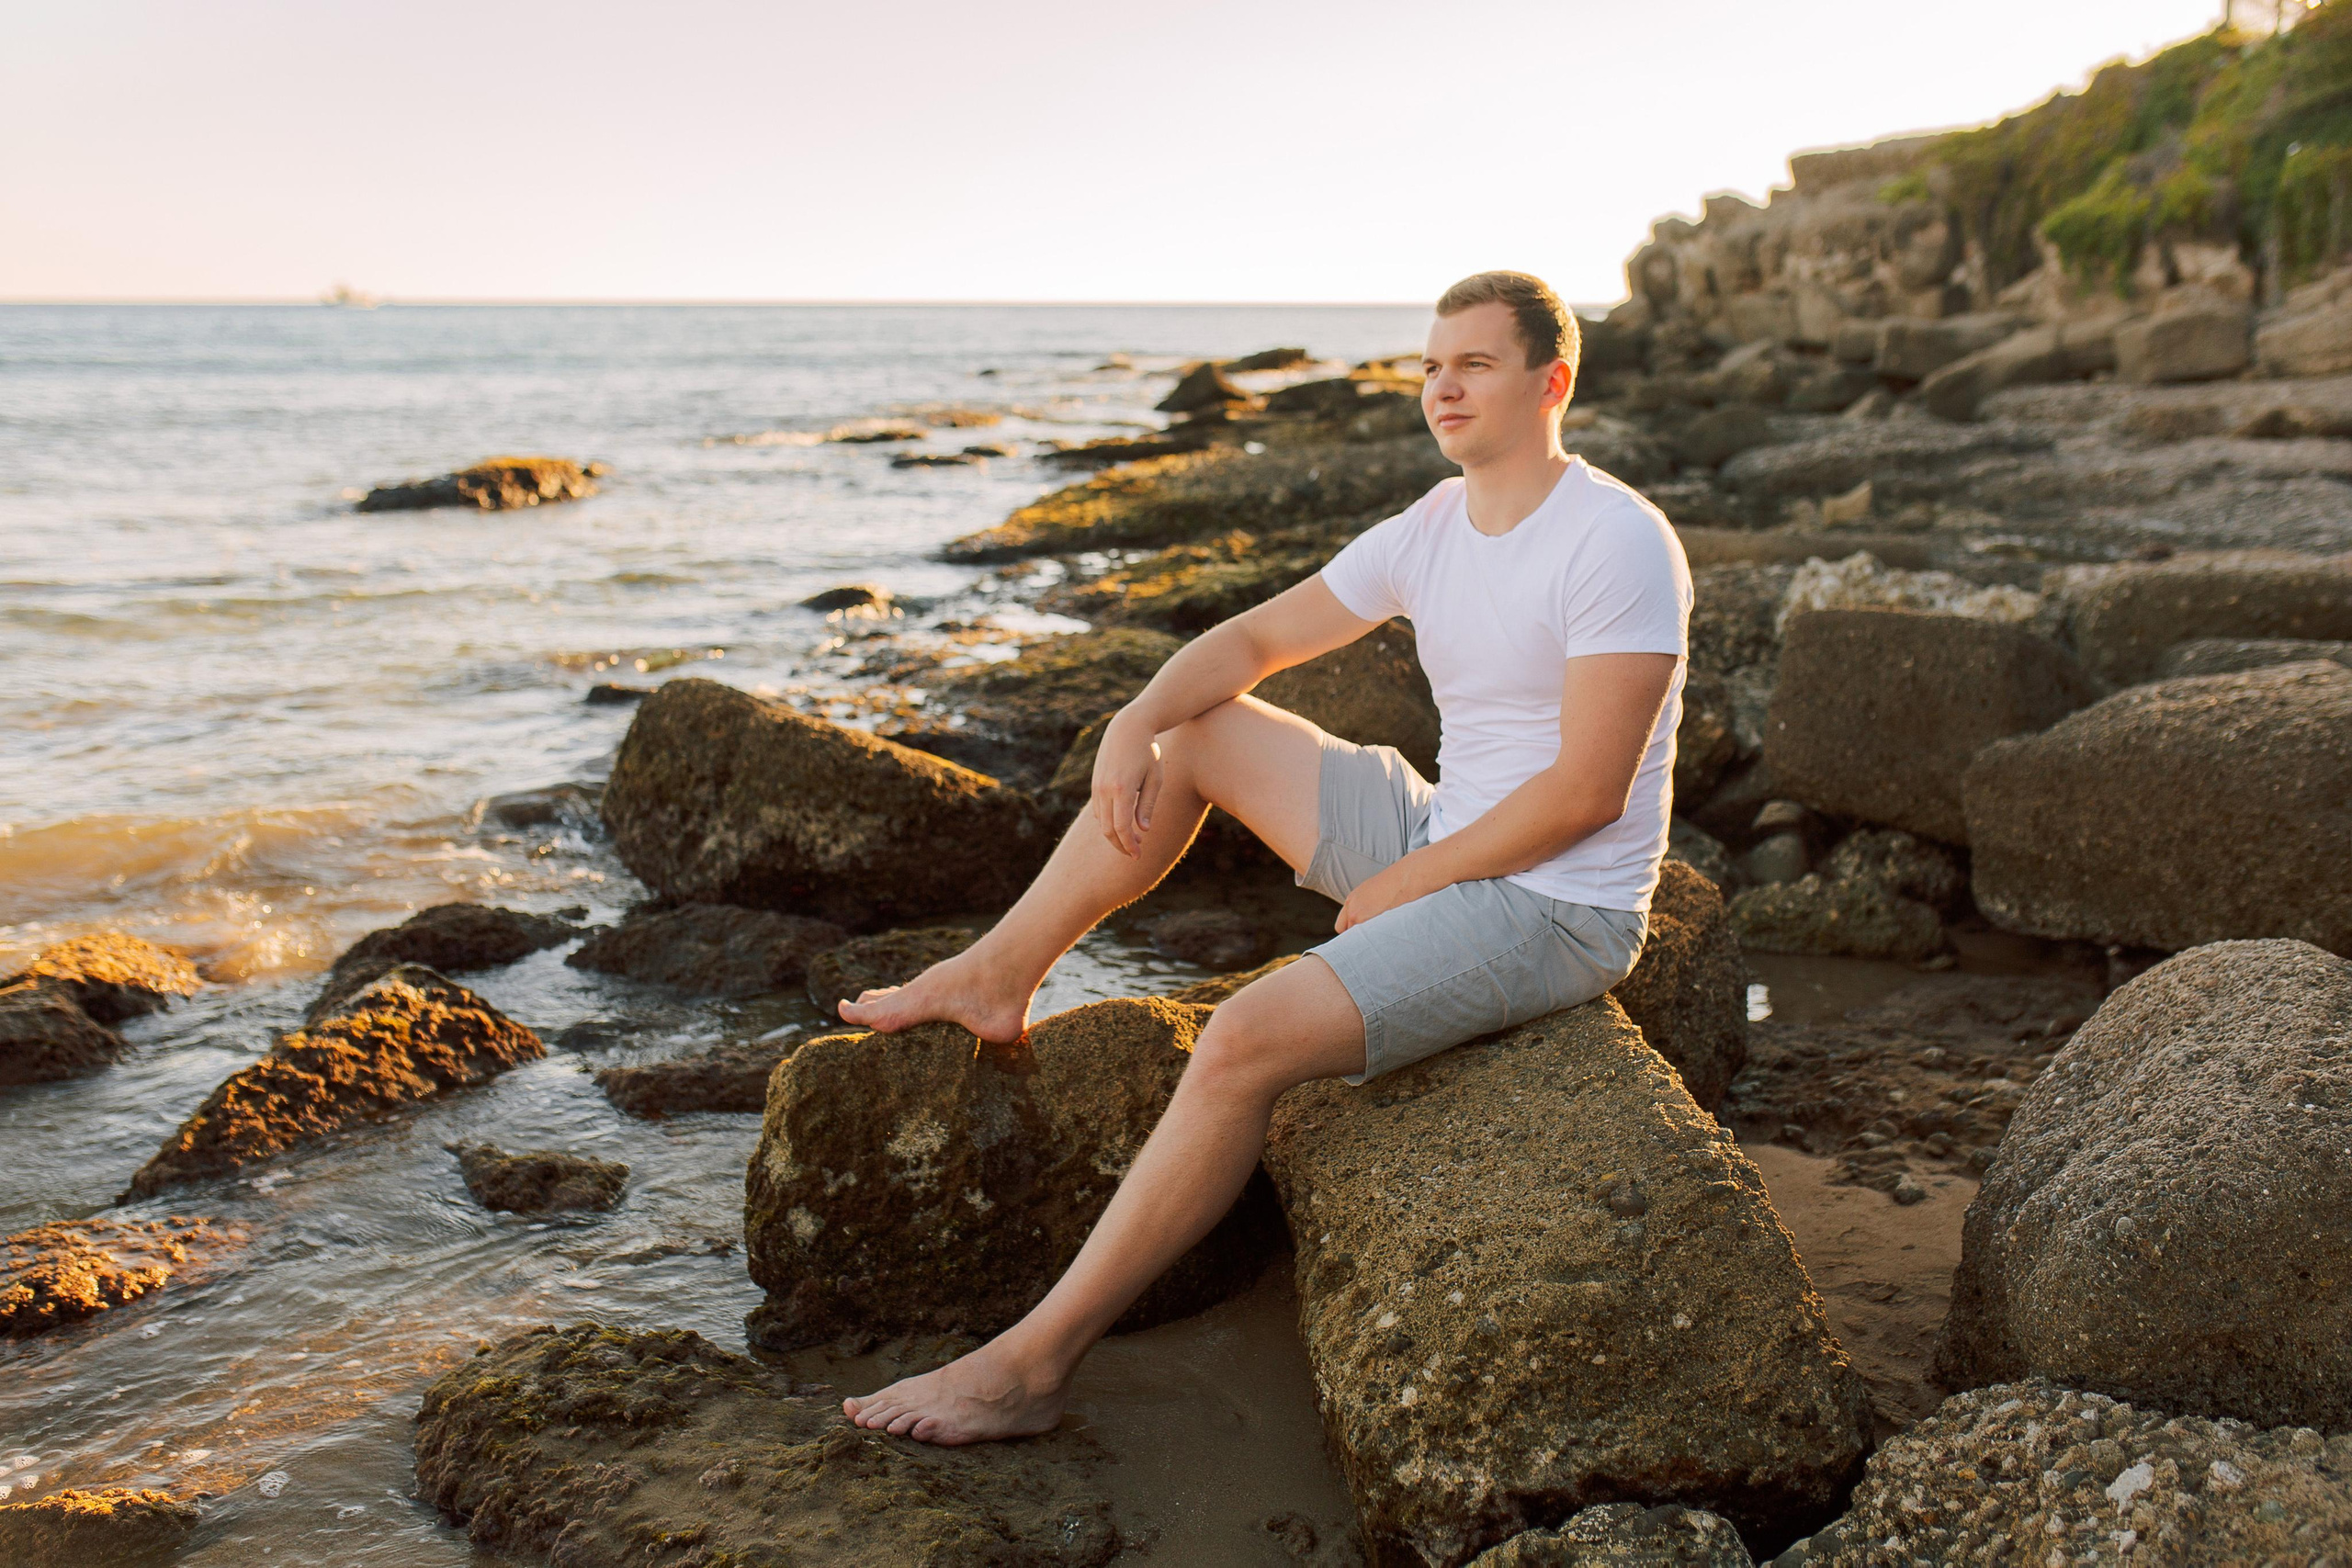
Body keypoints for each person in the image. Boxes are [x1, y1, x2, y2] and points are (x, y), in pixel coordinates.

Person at [837, 270, 1691, 1445]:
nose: (1443, 385)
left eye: (1475, 364)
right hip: (1450, 833)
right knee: (1200, 734)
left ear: (1551, 383)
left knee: (1238, 1042)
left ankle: (1028, 1367)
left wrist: (1407, 883)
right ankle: (997, 974)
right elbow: (1252, 637)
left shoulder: (1615, 540)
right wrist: (1134, 722)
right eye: (1431, 363)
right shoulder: (1431, 528)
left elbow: (1587, 793)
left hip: (1555, 904)